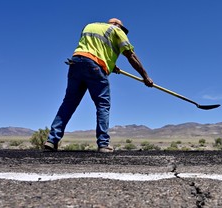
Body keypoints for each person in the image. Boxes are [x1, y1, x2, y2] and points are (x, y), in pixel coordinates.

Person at [44, 18, 153, 153]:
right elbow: (131, 55)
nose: (122, 31)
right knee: (103, 104)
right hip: (95, 67)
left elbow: (93, 50)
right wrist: (146, 77)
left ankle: (52, 140)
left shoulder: (89, 26)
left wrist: (111, 65)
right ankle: (103, 144)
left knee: (68, 103)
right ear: (116, 25)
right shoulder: (116, 30)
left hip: (76, 63)